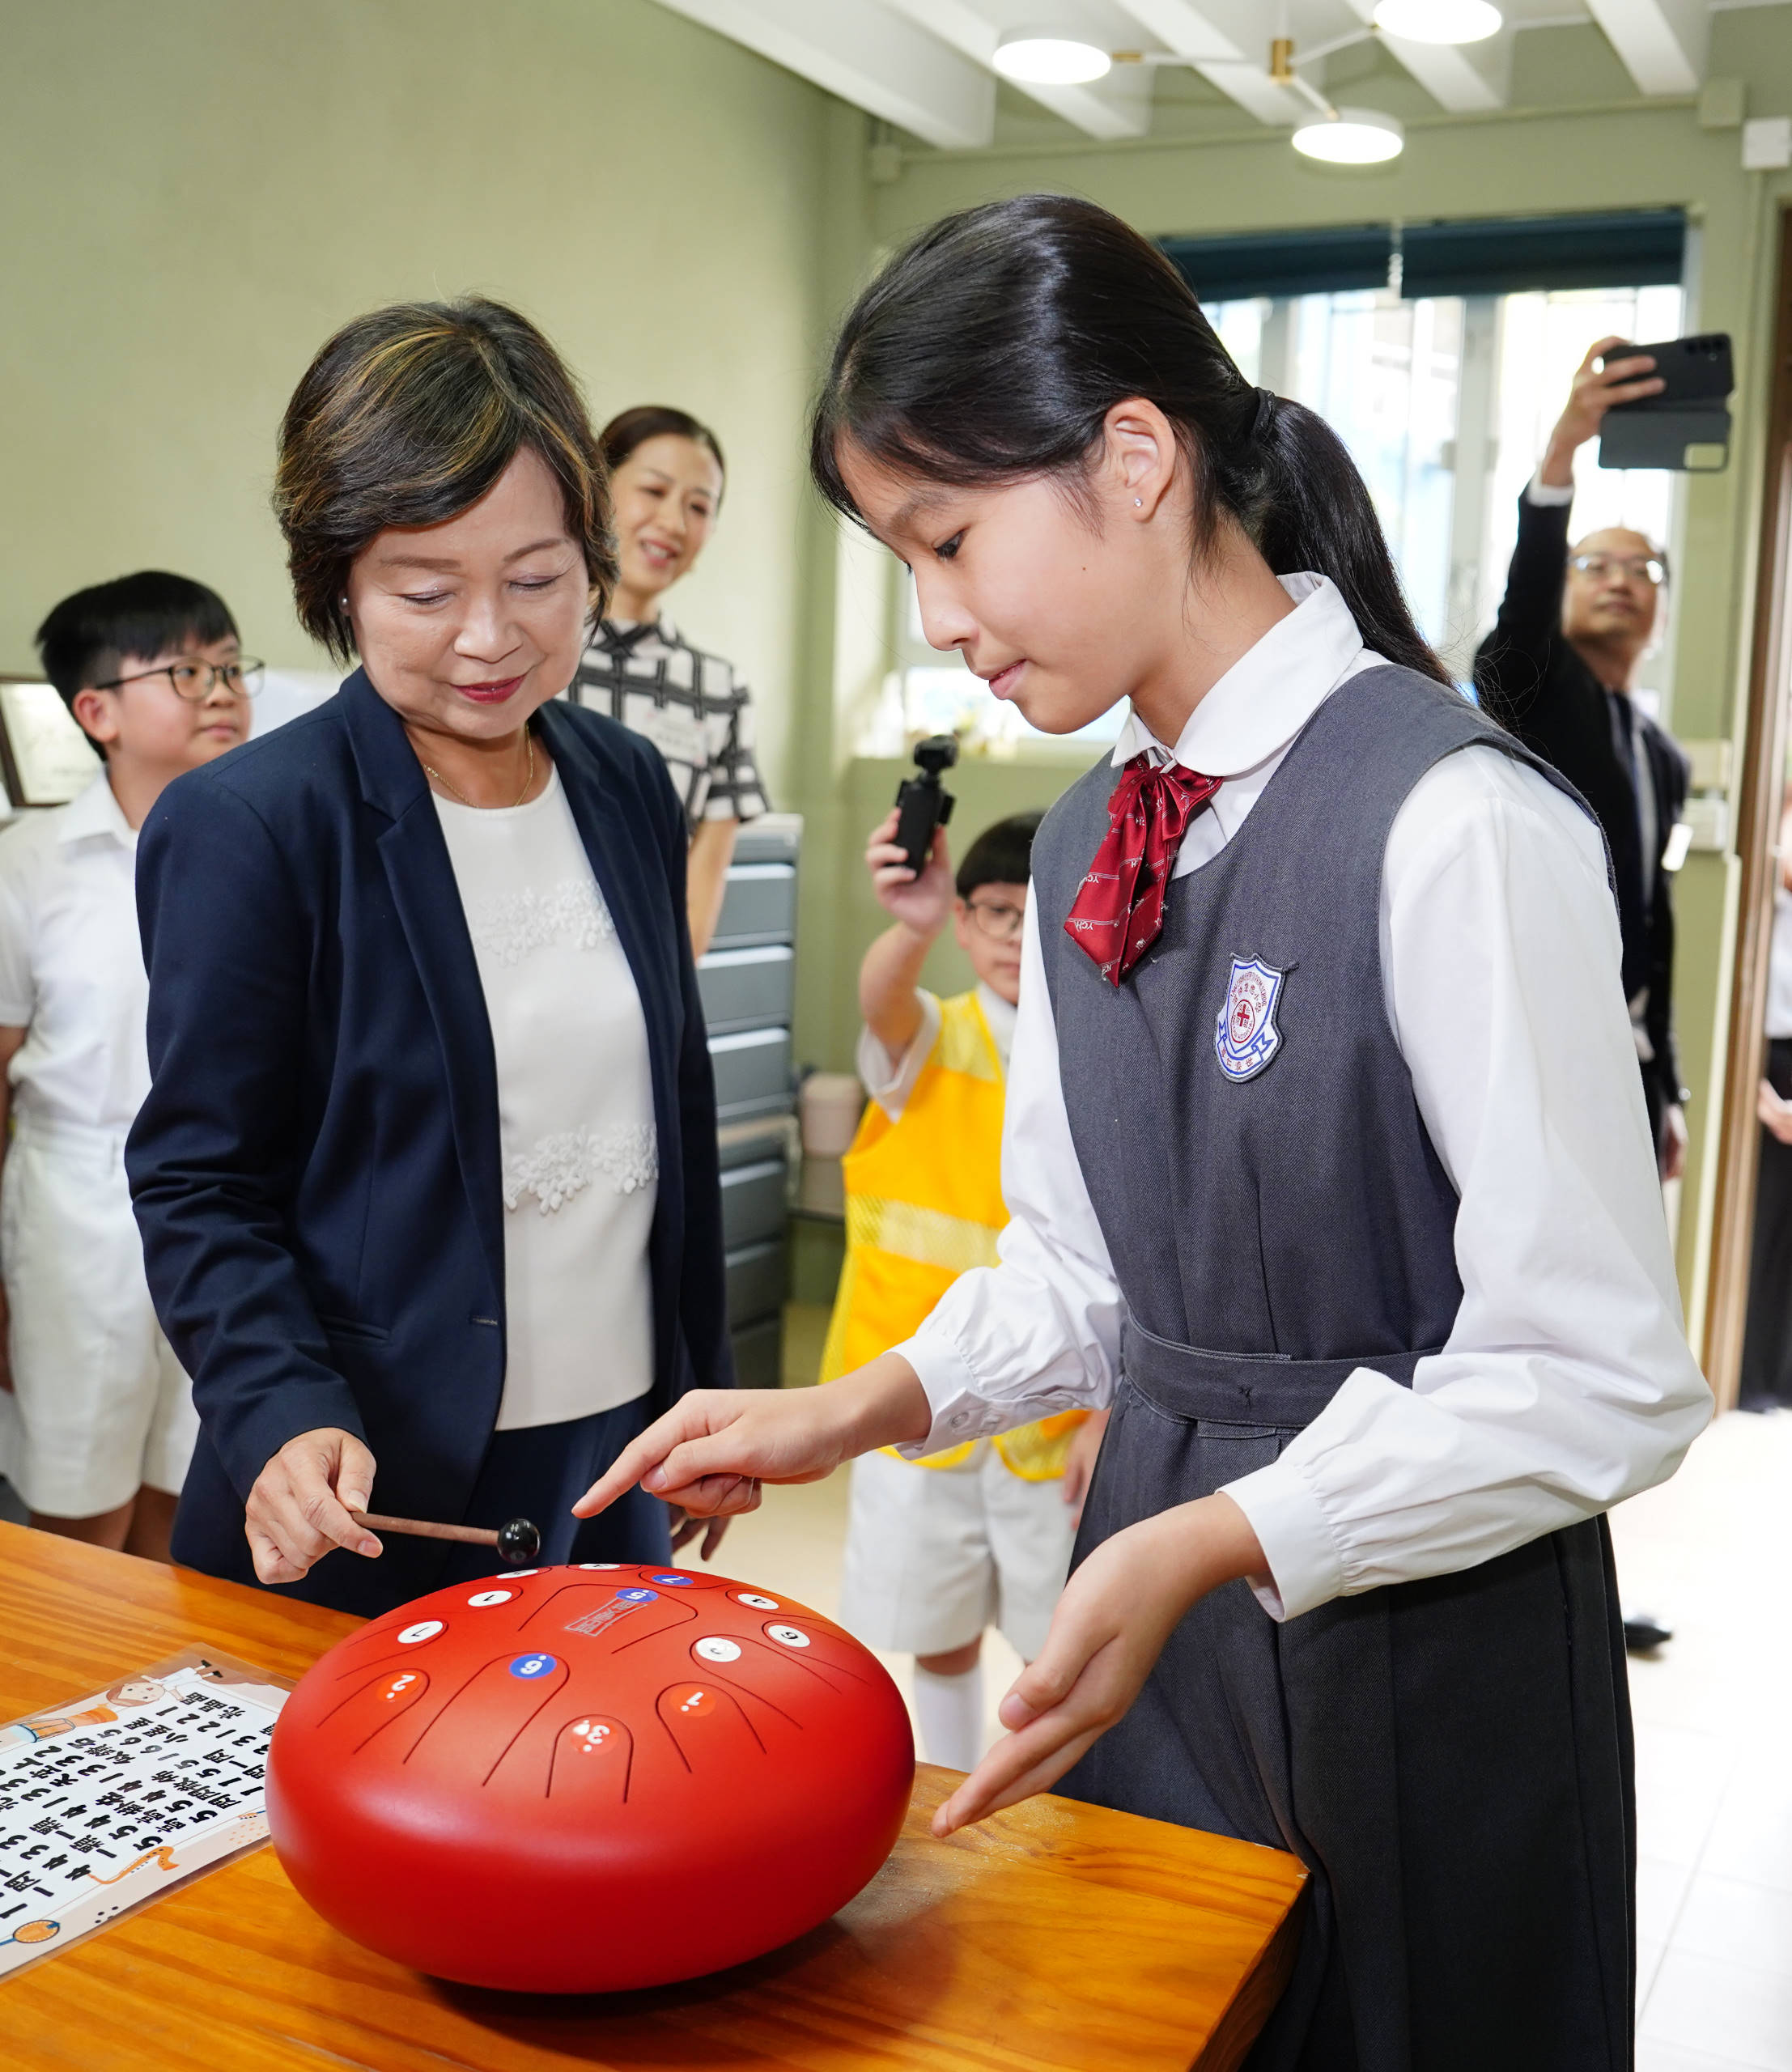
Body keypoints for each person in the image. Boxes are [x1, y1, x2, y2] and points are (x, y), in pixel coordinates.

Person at [575, 196, 1712, 2069]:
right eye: (901, 557)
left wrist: (1217, 1536)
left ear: (1131, 457)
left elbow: (1601, 1374)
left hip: (1421, 1635)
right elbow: (1086, 1272)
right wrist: (854, 1405)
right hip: (1152, 1607)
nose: (937, 617)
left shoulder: (1454, 820)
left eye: (949, 538)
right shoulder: (1094, 833)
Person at [125, 298, 732, 1616]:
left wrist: (701, 1390)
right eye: (425, 590)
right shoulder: (254, 823)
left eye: (535, 580)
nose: (488, 635)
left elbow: (669, 1110)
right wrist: (278, 1405)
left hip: (612, 1456)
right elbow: (199, 1177)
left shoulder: (626, 781)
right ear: (337, 583)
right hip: (370, 1477)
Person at [822, 809, 1105, 1771]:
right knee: (933, 1630)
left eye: (1041, 912)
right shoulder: (933, 1037)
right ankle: (946, 1793)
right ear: (963, 921)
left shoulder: (1104, 1054)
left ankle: (1042, 1813)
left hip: (1055, 1421)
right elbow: (882, 1000)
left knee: (1059, 1642)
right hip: (914, 1406)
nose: (1017, 936)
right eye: (995, 912)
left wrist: (1110, 1419)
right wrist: (909, 928)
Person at [0, 572, 256, 1562]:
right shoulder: (32, 864)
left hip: (231, 1201)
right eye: (187, 671)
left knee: (193, 1494)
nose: (222, 691)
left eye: (230, 667)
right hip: (79, 1206)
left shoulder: (260, 845)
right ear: (96, 712)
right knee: (81, 1504)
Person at [1474, 337, 1692, 1178]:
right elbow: (1521, 613)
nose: (1621, 579)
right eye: (1596, 564)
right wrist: (1564, 452)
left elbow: (1654, 921)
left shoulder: (1662, 758)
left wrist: (1666, 1087)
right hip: (1530, 1042)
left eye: (1644, 569)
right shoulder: (1532, 684)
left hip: (1626, 1062)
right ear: (1565, 588)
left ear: (1661, 608)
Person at [570, 406, 768, 957]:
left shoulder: (719, 692)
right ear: (596, 492)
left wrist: (664, 994)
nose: (675, 523)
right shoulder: (526, 656)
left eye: (699, 507)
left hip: (648, 977)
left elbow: (698, 898)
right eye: (654, 491)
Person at [1740, 782, 1792, 1412]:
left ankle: (1784, 1378)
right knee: (1763, 1228)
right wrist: (1756, 1093)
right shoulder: (1765, 909)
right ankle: (1750, 1376)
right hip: (1768, 1061)